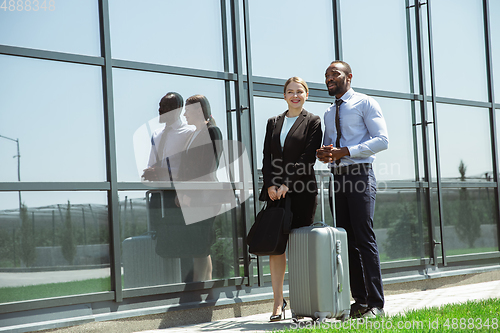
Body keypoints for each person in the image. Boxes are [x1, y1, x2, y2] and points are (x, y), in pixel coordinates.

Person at [316, 60, 389, 319]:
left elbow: (382, 140)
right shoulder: (328, 112)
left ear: (349, 77)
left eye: (334, 73)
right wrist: (324, 153)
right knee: (346, 242)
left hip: (360, 175)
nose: (328, 78)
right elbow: (329, 146)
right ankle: (359, 302)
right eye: (326, 75)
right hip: (337, 178)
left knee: (364, 238)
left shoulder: (365, 103)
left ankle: (376, 305)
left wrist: (346, 151)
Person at [260, 77, 323, 321]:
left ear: (306, 94)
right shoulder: (273, 122)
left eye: (299, 91)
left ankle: (302, 301)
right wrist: (270, 185)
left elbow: (308, 158)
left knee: (299, 247)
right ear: (284, 95)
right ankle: (278, 303)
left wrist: (288, 183)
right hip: (275, 193)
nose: (294, 95)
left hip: (302, 192)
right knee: (277, 248)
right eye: (290, 92)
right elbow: (267, 157)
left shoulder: (313, 121)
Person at [175, 94, 223, 282]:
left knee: (201, 244)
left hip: (206, 195)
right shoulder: (192, 134)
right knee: (199, 246)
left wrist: (189, 192)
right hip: (194, 195)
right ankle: (205, 286)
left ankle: (199, 286)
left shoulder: (212, 131)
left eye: (188, 110)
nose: (184, 114)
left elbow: (209, 165)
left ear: (199, 110)